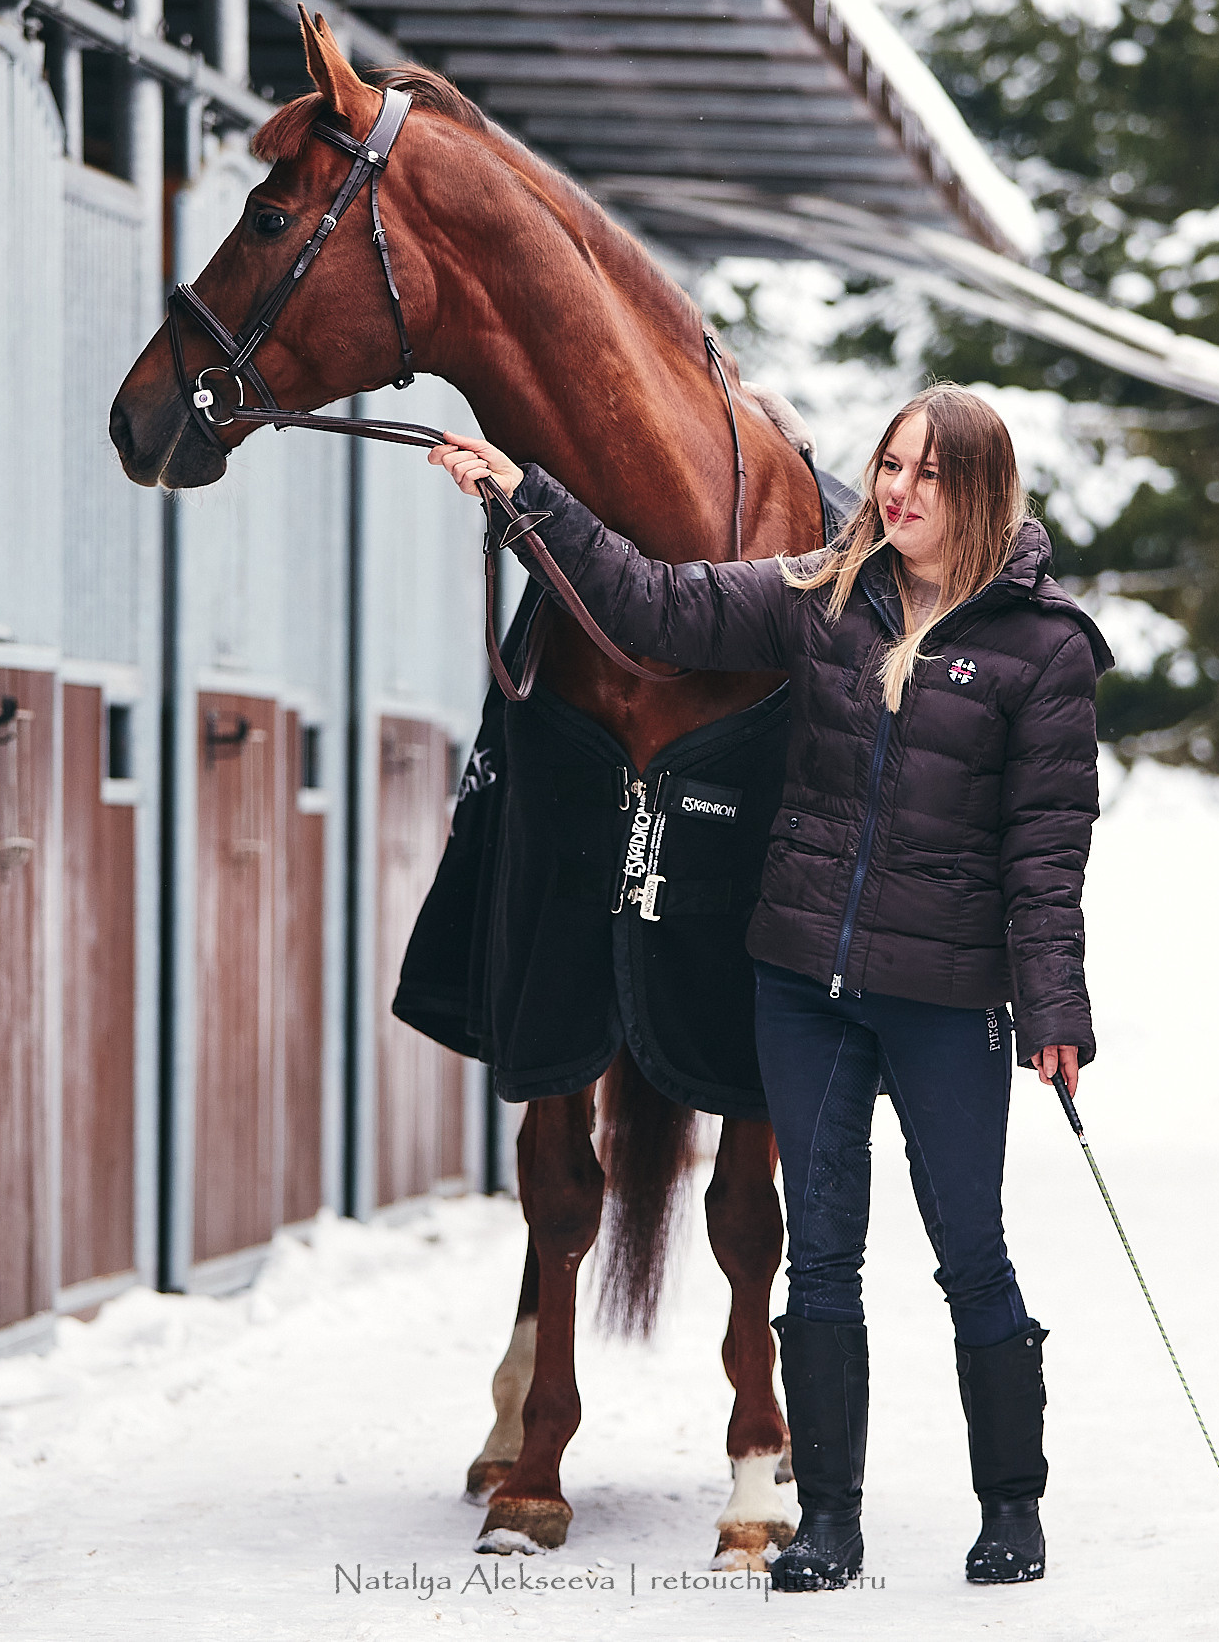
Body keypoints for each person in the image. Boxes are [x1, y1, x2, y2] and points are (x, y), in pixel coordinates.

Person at [429, 383, 1110, 1593]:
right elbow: (654, 603)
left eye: (927, 476)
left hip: (941, 991)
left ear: (982, 492)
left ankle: (1012, 1508)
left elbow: (1046, 850)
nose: (894, 492)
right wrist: (526, 496)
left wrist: (1052, 1008)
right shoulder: (822, 598)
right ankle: (826, 1520)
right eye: (887, 465)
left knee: (972, 1255)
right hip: (805, 983)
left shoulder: (1043, 649)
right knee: (822, 1258)